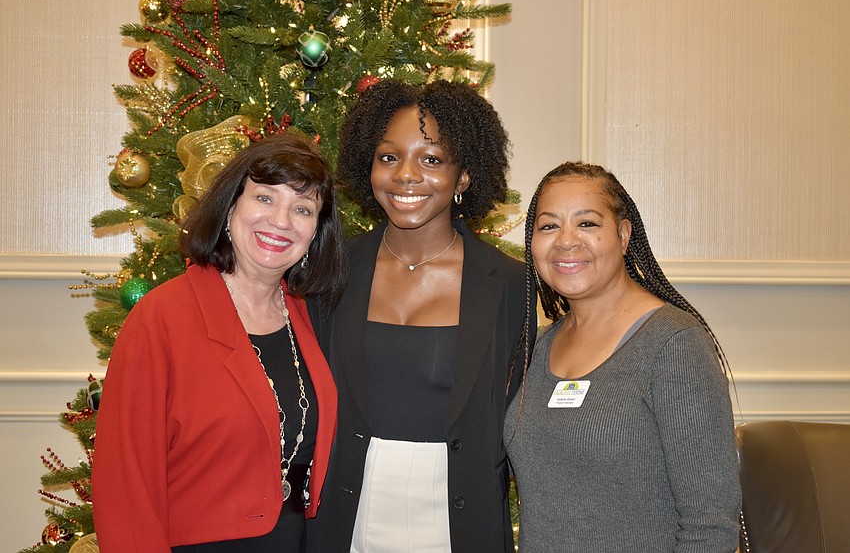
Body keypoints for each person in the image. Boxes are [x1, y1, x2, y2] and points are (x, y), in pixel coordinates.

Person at [306, 79, 534, 552]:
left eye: (431, 160)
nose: (405, 175)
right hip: (347, 512)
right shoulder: (332, 272)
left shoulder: (510, 284)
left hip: (460, 517)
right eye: (388, 157)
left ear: (463, 177)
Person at [91, 134, 348, 552]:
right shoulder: (162, 318)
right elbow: (125, 483)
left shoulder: (311, 316)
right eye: (265, 199)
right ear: (231, 208)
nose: (281, 221)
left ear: (315, 232)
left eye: (302, 209)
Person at [505, 161, 741, 552]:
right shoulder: (540, 345)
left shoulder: (673, 345)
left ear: (624, 233)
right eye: (548, 226)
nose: (566, 240)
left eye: (587, 224)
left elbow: (710, 526)